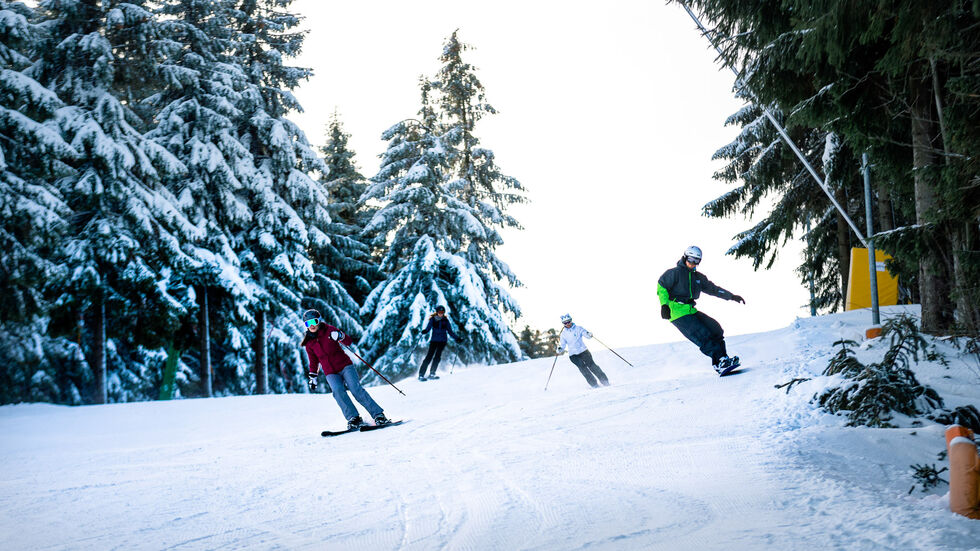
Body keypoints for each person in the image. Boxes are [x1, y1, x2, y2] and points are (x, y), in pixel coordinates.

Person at [657, 246, 745, 375]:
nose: (693, 263)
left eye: (696, 261)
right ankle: (719, 360)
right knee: (703, 334)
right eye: (691, 259)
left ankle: (722, 360)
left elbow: (713, 289)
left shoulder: (697, 277)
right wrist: (664, 305)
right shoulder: (674, 273)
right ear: (685, 257)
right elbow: (661, 287)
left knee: (715, 329)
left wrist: (731, 296)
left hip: (690, 309)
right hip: (676, 312)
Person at [302, 309, 390, 430]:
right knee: (337, 392)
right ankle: (354, 418)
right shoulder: (309, 343)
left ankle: (378, 415)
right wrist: (313, 377)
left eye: (313, 321)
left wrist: (340, 336)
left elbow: (348, 341)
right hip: (330, 372)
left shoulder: (329, 330)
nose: (311, 325)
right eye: (307, 323)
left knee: (355, 389)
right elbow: (313, 362)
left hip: (345, 366)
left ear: (319, 321)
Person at [556, 313, 610, 388]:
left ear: (571, 320)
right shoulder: (563, 334)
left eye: (568, 321)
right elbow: (562, 345)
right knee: (583, 369)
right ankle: (594, 384)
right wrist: (560, 349)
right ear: (563, 324)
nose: (567, 324)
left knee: (592, 366)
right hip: (573, 355)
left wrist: (589, 334)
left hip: (584, 351)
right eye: (565, 323)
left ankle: (605, 381)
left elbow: (586, 334)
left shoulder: (578, 328)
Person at [417, 305, 459, 381]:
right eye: (439, 312)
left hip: (442, 341)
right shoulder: (433, 319)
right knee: (429, 357)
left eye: (442, 312)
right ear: (437, 312)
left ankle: (432, 373)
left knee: (437, 357)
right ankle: (421, 374)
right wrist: (425, 331)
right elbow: (428, 328)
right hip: (434, 341)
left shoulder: (445, 321)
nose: (441, 313)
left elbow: (450, 331)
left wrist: (457, 338)